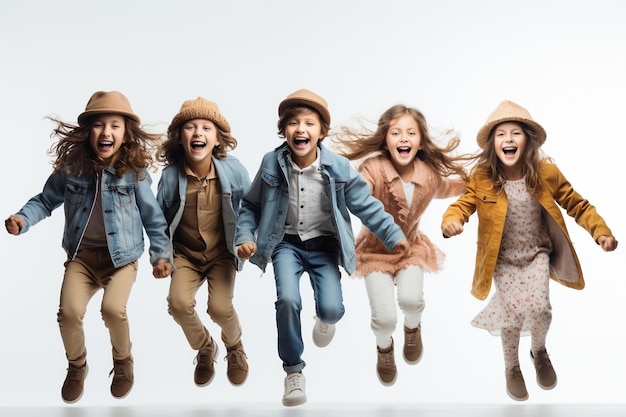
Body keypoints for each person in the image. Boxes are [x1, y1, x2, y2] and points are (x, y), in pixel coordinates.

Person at [235, 89, 410, 407]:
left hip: (324, 246)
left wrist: (392, 234)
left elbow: (366, 206)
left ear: (321, 131)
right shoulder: (271, 163)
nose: (300, 129)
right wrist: (244, 237)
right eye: (293, 123)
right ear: (284, 130)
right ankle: (293, 371)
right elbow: (250, 204)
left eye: (309, 123)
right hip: (284, 244)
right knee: (287, 299)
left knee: (332, 308)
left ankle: (326, 318)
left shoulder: (338, 168)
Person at [441, 100, 618, 401]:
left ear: (528, 141)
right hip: (503, 260)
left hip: (537, 253)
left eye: (515, 133)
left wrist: (601, 233)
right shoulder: (483, 177)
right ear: (493, 145)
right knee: (511, 315)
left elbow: (577, 204)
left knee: (540, 309)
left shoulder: (545, 172)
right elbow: (462, 205)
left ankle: (539, 350)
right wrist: (452, 220)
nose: (508, 139)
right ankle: (512, 367)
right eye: (501, 134)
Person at [4, 91, 173, 403]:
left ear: (126, 134)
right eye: (98, 125)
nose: (106, 133)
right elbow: (45, 201)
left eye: (115, 126)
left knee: (112, 310)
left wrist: (161, 255)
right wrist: (22, 219)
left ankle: (123, 363)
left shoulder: (134, 174)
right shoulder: (72, 168)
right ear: (88, 132)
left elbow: (153, 217)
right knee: (68, 313)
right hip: (81, 258)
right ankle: (77, 365)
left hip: (121, 259)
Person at [333, 104, 469, 385]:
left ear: (420, 142)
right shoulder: (373, 168)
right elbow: (359, 192)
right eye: (396, 132)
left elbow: (447, 187)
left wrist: (473, 186)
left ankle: (413, 326)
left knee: (411, 300)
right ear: (385, 140)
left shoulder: (428, 175)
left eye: (411, 133)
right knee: (384, 320)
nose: (403, 138)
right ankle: (384, 348)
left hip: (411, 250)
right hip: (374, 253)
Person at [156, 97, 251, 387]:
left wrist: (246, 238)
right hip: (185, 255)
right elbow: (157, 220)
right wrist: (161, 255)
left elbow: (250, 209)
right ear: (180, 137)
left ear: (217, 138)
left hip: (222, 254)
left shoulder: (233, 170)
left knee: (220, 309)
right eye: (190, 127)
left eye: (206, 127)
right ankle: (205, 347)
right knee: (177, 302)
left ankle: (235, 347)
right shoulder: (171, 177)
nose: (198, 133)